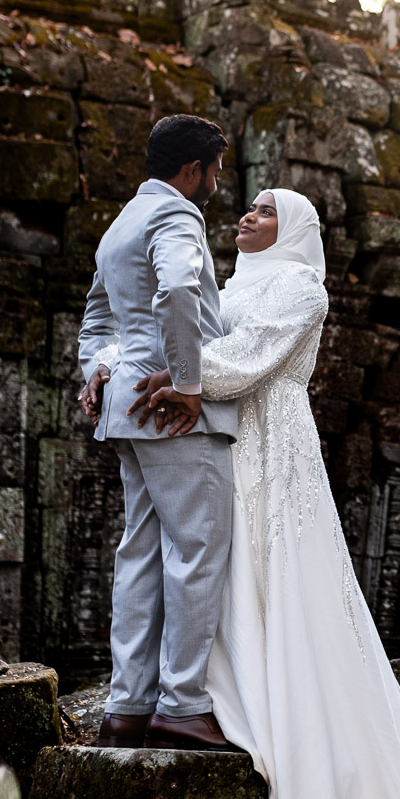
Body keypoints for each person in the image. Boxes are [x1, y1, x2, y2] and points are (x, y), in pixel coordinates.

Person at [85, 187, 400, 799]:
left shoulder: (303, 286)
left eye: (267, 211)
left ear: (296, 229)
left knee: (277, 580)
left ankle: (287, 735)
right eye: (248, 207)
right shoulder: (225, 283)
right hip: (214, 436)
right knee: (204, 564)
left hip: (271, 448)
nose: (248, 217)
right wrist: (116, 366)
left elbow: (247, 359)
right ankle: (200, 695)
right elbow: (166, 328)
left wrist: (174, 379)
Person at [76, 114, 241, 752]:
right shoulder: (176, 214)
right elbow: (176, 291)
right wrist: (190, 383)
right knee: (198, 551)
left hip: (128, 408)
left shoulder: (122, 222)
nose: (217, 184)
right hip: (170, 411)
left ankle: (126, 709)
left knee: (140, 555)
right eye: (215, 171)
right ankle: (182, 705)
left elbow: (98, 315)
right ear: (192, 170)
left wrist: (100, 370)